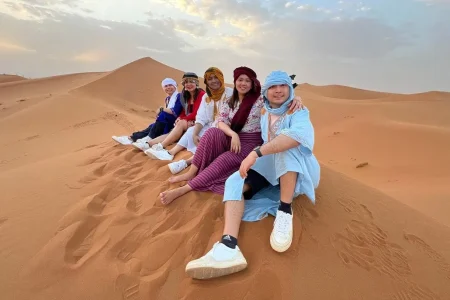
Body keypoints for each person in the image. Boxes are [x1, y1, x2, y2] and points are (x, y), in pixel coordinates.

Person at [184, 70, 320, 280]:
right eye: (272, 86)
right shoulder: (264, 110)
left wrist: (255, 153)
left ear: (289, 89)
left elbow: (296, 137)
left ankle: (285, 211)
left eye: (283, 86)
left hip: (298, 166)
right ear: (266, 91)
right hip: (271, 164)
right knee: (235, 181)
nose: (278, 91)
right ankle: (228, 245)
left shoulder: (298, 111)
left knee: (286, 148)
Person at [158, 67, 303, 205]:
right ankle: (191, 172)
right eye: (240, 80)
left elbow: (279, 99)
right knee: (211, 132)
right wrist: (233, 134)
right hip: (233, 137)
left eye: (247, 80)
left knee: (223, 160)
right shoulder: (230, 100)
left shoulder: (260, 100)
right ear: (235, 81)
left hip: (250, 142)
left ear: (252, 83)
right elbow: (221, 121)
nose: (243, 83)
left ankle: (185, 189)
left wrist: (296, 99)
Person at [147, 67, 233, 175]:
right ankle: (170, 153)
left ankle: (186, 162)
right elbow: (201, 116)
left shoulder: (231, 93)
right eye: (210, 79)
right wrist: (195, 133)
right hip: (210, 124)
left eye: (216, 77)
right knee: (191, 130)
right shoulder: (206, 96)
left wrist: (186, 119)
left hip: (225, 127)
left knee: (209, 137)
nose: (213, 81)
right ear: (206, 81)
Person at [133, 72, 205, 153]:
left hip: (199, 121)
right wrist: (180, 117)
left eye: (192, 82)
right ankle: (148, 144)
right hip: (189, 120)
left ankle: (161, 146)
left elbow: (197, 112)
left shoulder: (201, 94)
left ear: (197, 83)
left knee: (180, 124)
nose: (189, 84)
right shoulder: (186, 95)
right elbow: (184, 111)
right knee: (172, 133)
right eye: (186, 82)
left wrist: (183, 119)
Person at [112, 78, 179, 145]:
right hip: (167, 121)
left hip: (176, 123)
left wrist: (162, 109)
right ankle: (131, 138)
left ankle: (149, 138)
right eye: (166, 86)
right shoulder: (167, 99)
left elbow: (175, 111)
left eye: (170, 85)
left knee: (162, 116)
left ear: (175, 86)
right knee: (152, 126)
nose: (168, 87)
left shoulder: (179, 96)